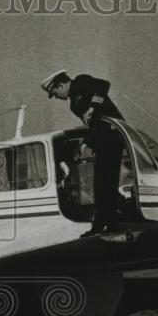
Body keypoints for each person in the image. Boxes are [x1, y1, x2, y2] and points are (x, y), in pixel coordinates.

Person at [40, 69, 125, 236]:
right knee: (100, 183)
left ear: (62, 84)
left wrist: (92, 107)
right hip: (101, 139)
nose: (56, 97)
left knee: (108, 182)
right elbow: (93, 126)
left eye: (55, 92)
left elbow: (103, 85)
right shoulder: (74, 105)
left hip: (113, 135)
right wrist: (85, 144)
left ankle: (112, 224)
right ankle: (100, 225)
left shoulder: (81, 81)